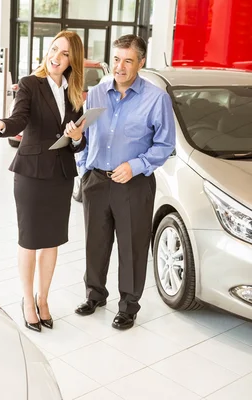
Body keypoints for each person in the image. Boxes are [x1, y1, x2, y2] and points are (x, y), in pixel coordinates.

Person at [0, 31, 87, 332]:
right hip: (31, 174)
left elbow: (78, 139)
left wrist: (77, 137)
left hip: (61, 174)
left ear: (71, 61)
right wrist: (2, 125)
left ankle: (44, 298)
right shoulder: (30, 84)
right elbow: (19, 119)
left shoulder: (74, 92)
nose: (57, 57)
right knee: (29, 240)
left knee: (51, 240)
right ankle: (27, 300)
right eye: (54, 50)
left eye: (65, 53)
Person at [74, 34, 176, 330]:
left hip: (133, 184)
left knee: (131, 247)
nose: (119, 66)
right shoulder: (95, 94)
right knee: (95, 243)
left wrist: (135, 166)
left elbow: (165, 145)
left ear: (140, 63)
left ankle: (128, 306)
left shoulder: (156, 99)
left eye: (128, 60)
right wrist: (84, 167)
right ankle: (94, 295)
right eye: (116, 59)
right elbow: (87, 135)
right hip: (96, 181)